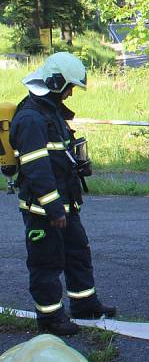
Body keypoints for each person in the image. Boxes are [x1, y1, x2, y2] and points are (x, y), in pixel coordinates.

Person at [10, 52, 116, 335]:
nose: (70, 93)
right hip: (44, 210)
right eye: (69, 87)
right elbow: (36, 169)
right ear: (55, 82)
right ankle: (50, 318)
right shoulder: (31, 118)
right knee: (46, 262)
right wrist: (54, 208)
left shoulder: (50, 112)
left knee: (77, 253)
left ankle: (84, 304)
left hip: (66, 203)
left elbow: (58, 158)